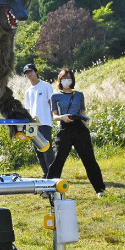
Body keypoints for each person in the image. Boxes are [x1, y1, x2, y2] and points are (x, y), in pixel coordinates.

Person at [47, 69, 106, 197]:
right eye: (63, 77)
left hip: (79, 127)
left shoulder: (79, 95)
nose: (66, 80)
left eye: (68, 77)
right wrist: (63, 117)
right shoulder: (55, 96)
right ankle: (48, 189)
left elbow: (82, 114)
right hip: (64, 127)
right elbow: (55, 116)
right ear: (60, 80)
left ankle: (100, 189)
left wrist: (87, 130)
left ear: (73, 80)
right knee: (59, 159)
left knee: (89, 159)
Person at [23, 63, 55, 177]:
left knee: (47, 148)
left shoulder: (46, 86)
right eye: (26, 73)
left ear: (36, 72)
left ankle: (53, 173)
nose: (29, 74)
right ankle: (46, 172)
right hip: (32, 125)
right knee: (38, 149)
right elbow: (27, 109)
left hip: (45, 122)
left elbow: (52, 103)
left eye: (30, 71)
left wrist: (54, 117)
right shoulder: (28, 91)